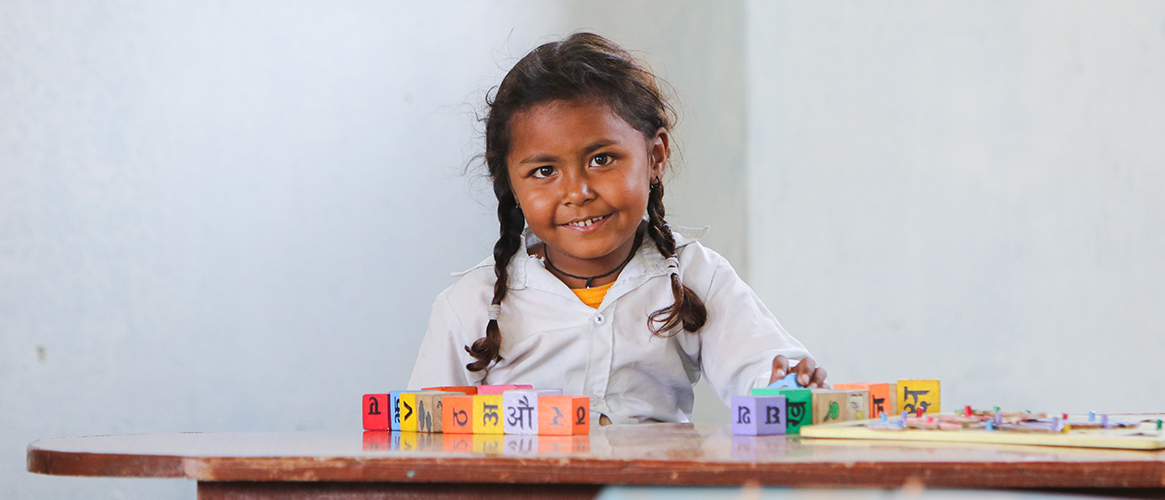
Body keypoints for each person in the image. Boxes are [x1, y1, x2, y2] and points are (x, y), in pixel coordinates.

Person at [408, 33, 826, 424]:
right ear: (511, 184)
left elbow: (761, 369)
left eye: (602, 159)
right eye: (544, 170)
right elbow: (424, 432)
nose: (578, 192)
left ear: (655, 156)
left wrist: (787, 386)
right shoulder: (472, 304)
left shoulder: (696, 276)